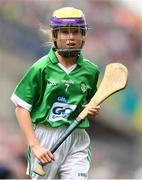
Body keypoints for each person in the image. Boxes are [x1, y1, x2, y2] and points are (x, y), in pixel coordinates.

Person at [11, 7, 100, 179]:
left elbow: (88, 104)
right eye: (65, 32)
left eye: (76, 32)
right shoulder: (41, 67)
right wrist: (35, 146)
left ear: (84, 36)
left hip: (76, 137)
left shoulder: (91, 71)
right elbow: (21, 108)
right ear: (54, 36)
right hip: (45, 137)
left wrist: (93, 110)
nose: (71, 38)